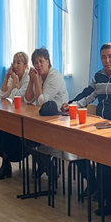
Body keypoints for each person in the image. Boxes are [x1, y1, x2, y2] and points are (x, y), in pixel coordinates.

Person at [61, 43, 111, 215]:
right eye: (103, 57)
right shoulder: (99, 76)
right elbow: (87, 95)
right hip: (102, 128)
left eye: (110, 56)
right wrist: (71, 105)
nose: (107, 60)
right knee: (96, 159)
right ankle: (109, 200)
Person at [23, 48, 68, 178]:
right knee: (25, 134)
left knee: (33, 137)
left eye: (41, 61)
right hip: (44, 117)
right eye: (35, 62)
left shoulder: (55, 77)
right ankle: (46, 166)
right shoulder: (39, 77)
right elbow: (28, 99)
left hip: (59, 119)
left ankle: (48, 168)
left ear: (48, 62)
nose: (38, 65)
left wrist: (36, 81)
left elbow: (42, 101)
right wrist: (31, 80)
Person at [0, 52, 30, 180]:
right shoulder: (14, 77)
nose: (15, 65)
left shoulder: (27, 79)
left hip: (27, 116)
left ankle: (6, 165)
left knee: (8, 129)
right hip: (16, 114)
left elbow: (16, 96)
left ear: (25, 65)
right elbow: (2, 94)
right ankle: (5, 164)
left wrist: (14, 82)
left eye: (19, 63)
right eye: (14, 62)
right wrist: (6, 77)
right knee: (3, 125)